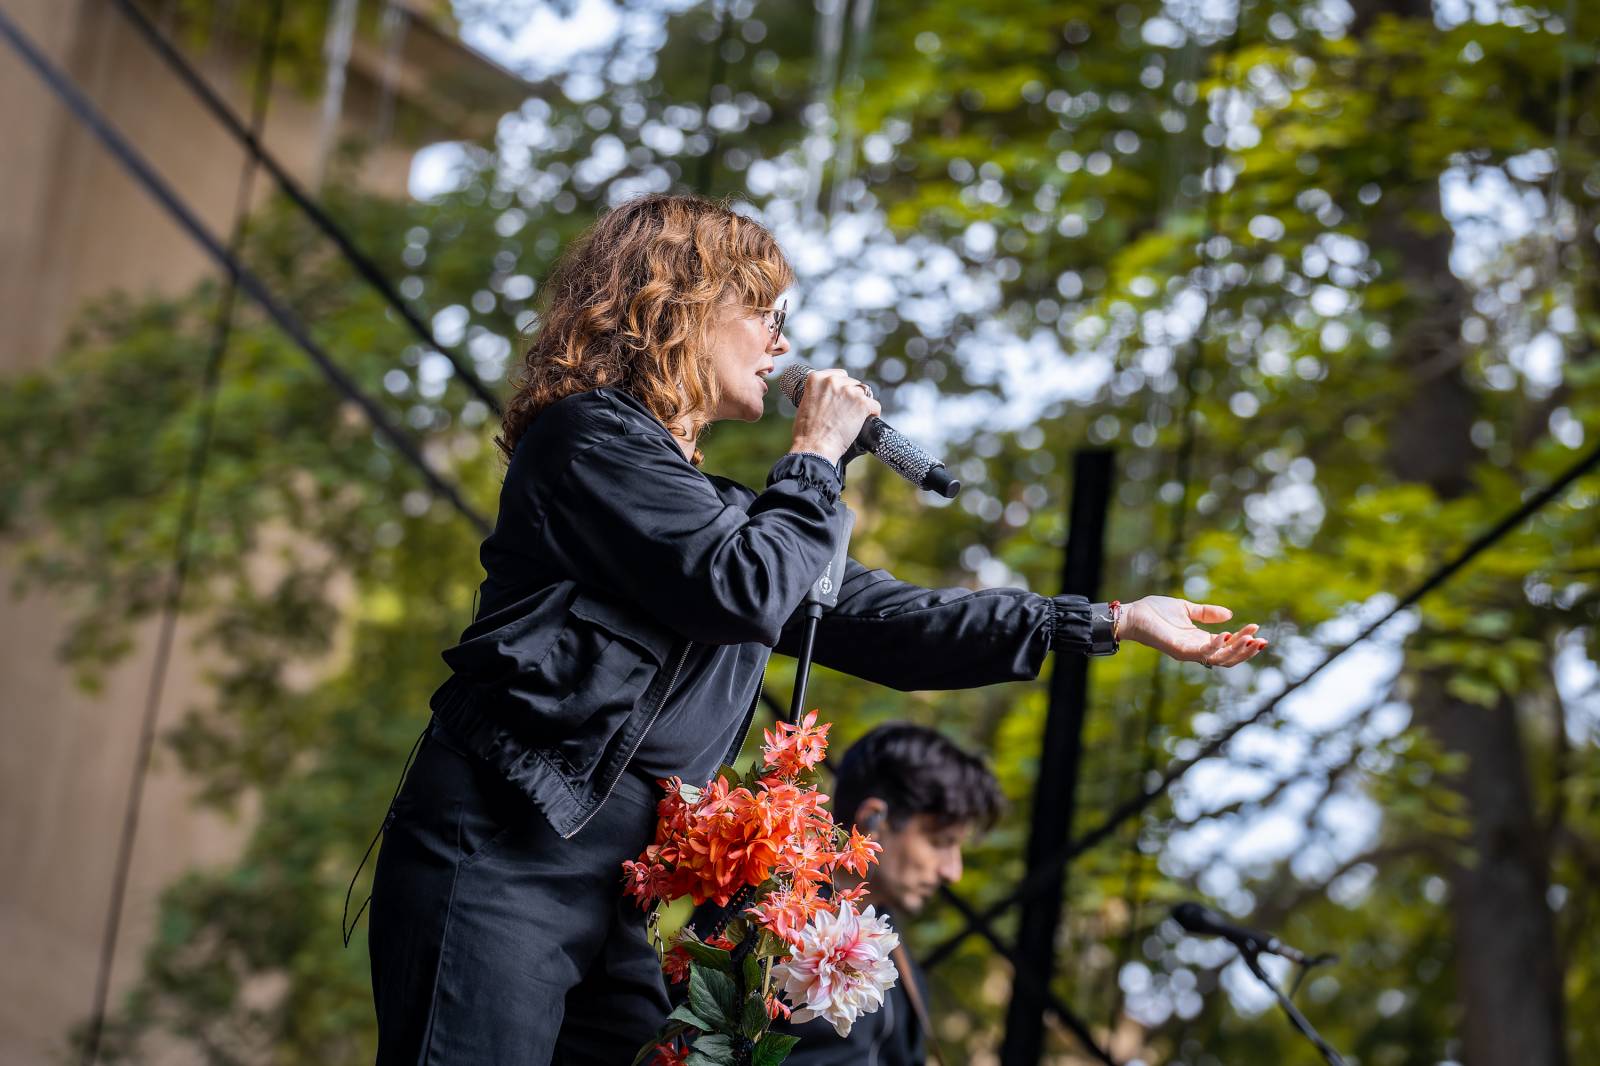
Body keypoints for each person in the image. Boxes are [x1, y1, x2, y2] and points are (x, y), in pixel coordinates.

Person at [365, 193, 1267, 1066]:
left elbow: (891, 620)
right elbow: (740, 589)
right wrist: (813, 457)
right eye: (762, 311)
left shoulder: (725, 515)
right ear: (674, 307)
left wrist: (1108, 621)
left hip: (624, 883)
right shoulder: (585, 441)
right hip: (505, 846)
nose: (782, 343)